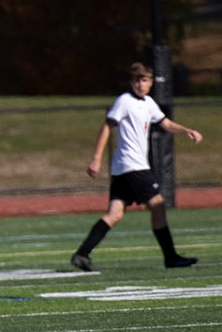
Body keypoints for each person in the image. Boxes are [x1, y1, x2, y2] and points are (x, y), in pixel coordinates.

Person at [70, 62, 204, 271]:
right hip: (133, 165)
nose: (140, 85)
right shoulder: (125, 101)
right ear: (131, 82)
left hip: (123, 168)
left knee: (115, 214)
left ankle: (82, 255)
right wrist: (96, 158)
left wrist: (187, 130)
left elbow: (165, 123)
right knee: (158, 205)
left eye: (144, 80)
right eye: (136, 80)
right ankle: (171, 257)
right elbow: (107, 126)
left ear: (150, 82)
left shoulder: (149, 103)